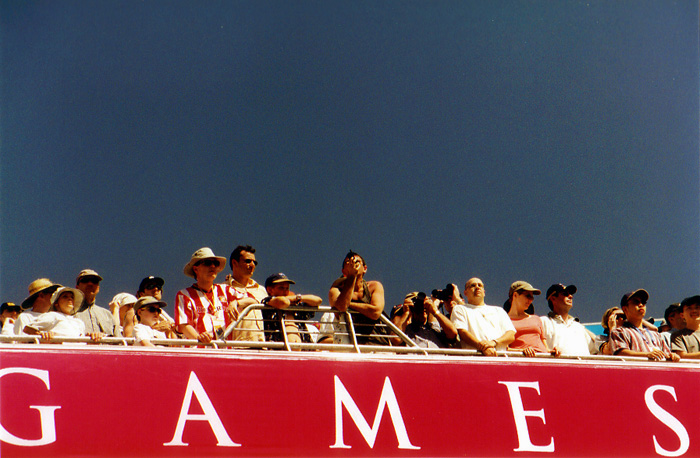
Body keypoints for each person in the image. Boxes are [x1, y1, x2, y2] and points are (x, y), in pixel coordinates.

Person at [174, 247, 253, 343]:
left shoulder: (225, 290)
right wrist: (199, 338)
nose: (212, 266)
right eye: (207, 263)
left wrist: (237, 302)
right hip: (199, 352)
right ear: (195, 268)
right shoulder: (184, 295)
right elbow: (183, 325)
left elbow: (253, 300)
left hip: (224, 351)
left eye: (215, 263)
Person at [327, 250, 388, 345]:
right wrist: (352, 276)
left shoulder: (374, 286)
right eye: (348, 262)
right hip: (350, 347)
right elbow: (341, 307)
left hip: (378, 344)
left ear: (365, 268)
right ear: (343, 271)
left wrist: (349, 304)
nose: (353, 264)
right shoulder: (336, 289)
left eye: (357, 262)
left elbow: (375, 312)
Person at [450, 277, 515, 355]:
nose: (477, 287)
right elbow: (463, 333)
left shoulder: (499, 310)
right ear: (465, 293)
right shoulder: (460, 309)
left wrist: (493, 343)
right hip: (475, 359)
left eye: (480, 285)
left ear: (484, 292)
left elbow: (511, 335)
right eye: (472, 285)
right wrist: (483, 348)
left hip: (501, 359)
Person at [610, 289, 679, 362]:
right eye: (636, 302)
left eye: (643, 302)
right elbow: (620, 353)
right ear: (625, 309)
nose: (641, 304)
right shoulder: (619, 332)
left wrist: (672, 355)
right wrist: (646, 355)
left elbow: (667, 354)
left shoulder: (656, 335)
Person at [261, 273, 322, 344]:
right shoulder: (267, 301)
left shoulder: (295, 303)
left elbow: (318, 300)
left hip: (304, 349)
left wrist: (298, 298)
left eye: (287, 288)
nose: (285, 291)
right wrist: (292, 298)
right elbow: (284, 302)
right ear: (270, 290)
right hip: (276, 348)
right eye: (281, 288)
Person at [28, 286, 103, 342]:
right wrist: (41, 334)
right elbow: (28, 329)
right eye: (65, 297)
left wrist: (93, 336)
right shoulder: (52, 315)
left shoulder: (79, 322)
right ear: (56, 303)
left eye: (72, 297)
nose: (70, 299)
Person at [540, 283, 596, 356]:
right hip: (559, 366)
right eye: (565, 294)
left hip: (583, 366)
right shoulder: (544, 321)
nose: (570, 296)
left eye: (571, 294)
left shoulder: (579, 327)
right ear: (553, 298)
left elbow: (595, 351)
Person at [506, 282, 559, 357]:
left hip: (543, 359)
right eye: (528, 296)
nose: (531, 300)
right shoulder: (504, 320)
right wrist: (522, 351)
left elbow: (545, 346)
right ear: (515, 295)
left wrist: (552, 352)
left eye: (532, 297)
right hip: (522, 361)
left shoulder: (536, 318)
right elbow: (504, 348)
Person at [226, 245, 266, 341]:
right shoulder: (222, 288)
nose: (252, 265)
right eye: (248, 261)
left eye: (254, 262)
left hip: (264, 347)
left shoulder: (261, 290)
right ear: (234, 263)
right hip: (237, 346)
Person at [392, 292, 457, 349]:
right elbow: (395, 339)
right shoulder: (406, 330)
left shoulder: (436, 328)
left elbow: (452, 333)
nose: (421, 308)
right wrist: (406, 313)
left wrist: (434, 311)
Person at [74, 269, 121, 337]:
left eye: (94, 281)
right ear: (77, 287)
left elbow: (119, 341)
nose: (90, 283)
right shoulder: (70, 313)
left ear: (98, 287)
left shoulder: (107, 315)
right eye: (85, 280)